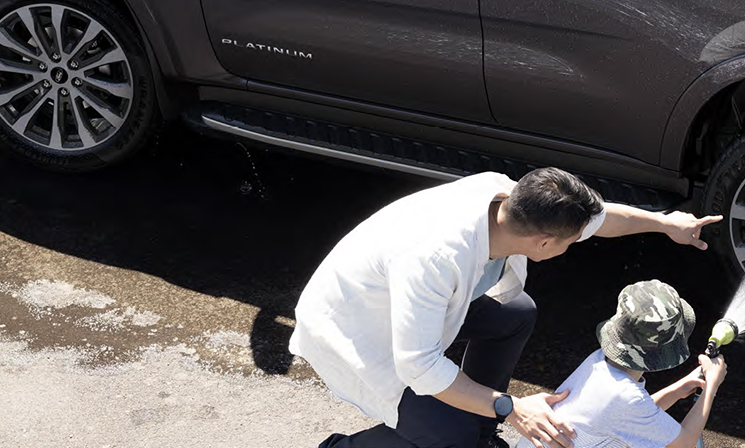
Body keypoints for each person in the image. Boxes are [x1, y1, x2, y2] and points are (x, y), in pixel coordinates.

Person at [296, 168, 722, 448]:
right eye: (571, 242)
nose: (578, 243)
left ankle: (477, 426)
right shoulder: (436, 257)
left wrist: (666, 223)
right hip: (356, 324)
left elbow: (602, 219)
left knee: (516, 313)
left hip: (418, 303)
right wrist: (511, 406)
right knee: (449, 435)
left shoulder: (512, 201)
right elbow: (419, 367)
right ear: (544, 244)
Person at [542, 280, 728, 448]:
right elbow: (684, 443)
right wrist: (712, 385)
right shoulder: (627, 398)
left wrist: (678, 390)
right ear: (662, 352)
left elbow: (632, 418)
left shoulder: (598, 361)